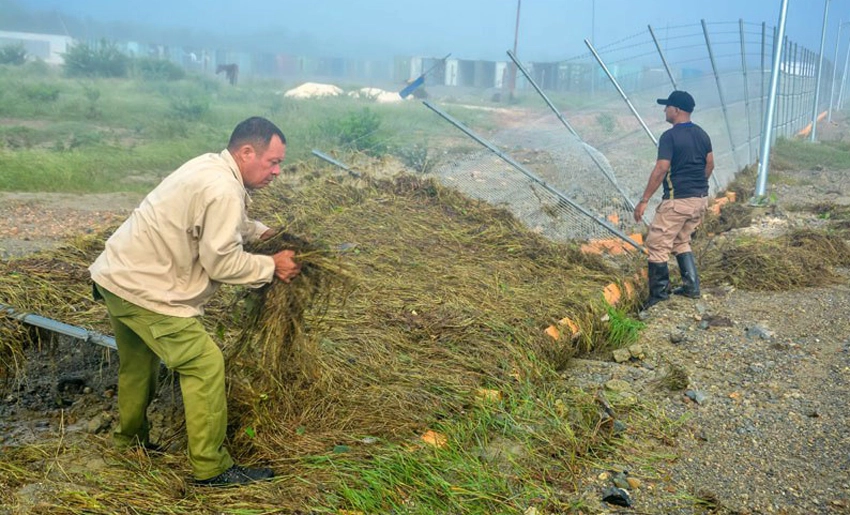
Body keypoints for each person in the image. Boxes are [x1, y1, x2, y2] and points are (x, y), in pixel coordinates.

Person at [89, 116, 301, 486]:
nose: (277, 171)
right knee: (204, 363)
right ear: (246, 152)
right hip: (146, 290)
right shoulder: (223, 189)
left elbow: (218, 220)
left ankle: (128, 444)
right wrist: (272, 265)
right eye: (273, 162)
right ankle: (211, 467)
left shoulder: (210, 166)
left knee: (138, 365)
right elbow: (221, 262)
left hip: (116, 276)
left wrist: (262, 231)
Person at [633, 91, 714, 309]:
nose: (664, 110)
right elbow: (710, 164)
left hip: (677, 201)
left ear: (676, 110)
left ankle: (658, 297)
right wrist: (697, 186)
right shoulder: (702, 134)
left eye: (667, 106)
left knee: (657, 244)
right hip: (699, 199)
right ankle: (691, 286)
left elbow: (661, 169)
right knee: (681, 240)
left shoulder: (670, 137)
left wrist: (644, 200)